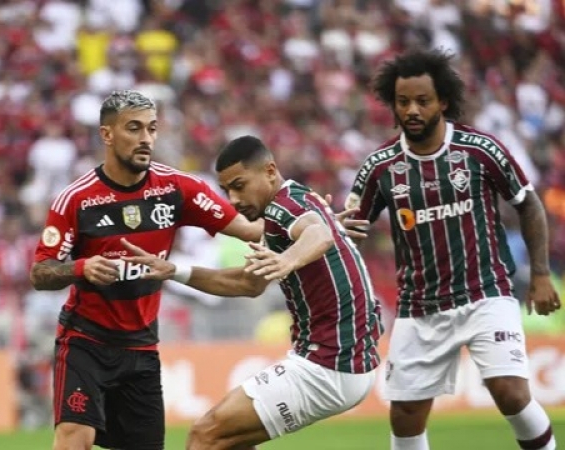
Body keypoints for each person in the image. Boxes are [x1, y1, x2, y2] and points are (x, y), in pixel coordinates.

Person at [344, 49, 561, 450]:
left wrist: (542, 274)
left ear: (442, 101)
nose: (412, 109)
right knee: (405, 415)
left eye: (422, 101)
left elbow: (527, 202)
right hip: (420, 306)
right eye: (403, 101)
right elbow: (353, 223)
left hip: (486, 293)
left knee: (510, 391)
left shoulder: (480, 149)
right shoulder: (381, 167)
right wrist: (340, 224)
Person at [29, 90, 265, 450]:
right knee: (76, 437)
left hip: (142, 349)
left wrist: (310, 215)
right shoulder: (76, 199)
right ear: (107, 135)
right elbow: (41, 273)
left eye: (152, 129)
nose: (146, 139)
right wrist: (81, 267)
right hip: (85, 343)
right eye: (134, 128)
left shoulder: (177, 189)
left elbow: (252, 229)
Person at [121, 135, 383, 450]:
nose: (233, 198)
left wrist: (287, 260)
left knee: (204, 435)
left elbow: (319, 233)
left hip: (329, 365)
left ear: (270, 171)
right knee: (227, 442)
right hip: (343, 362)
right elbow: (248, 284)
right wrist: (175, 271)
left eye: (240, 185)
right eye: (226, 190)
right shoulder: (295, 204)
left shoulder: (284, 208)